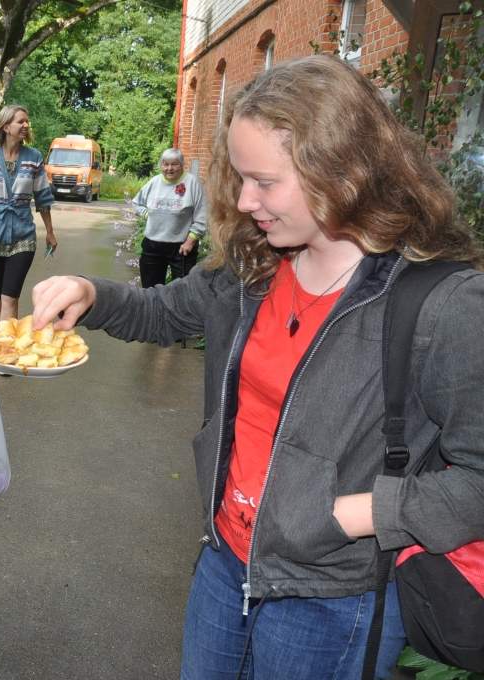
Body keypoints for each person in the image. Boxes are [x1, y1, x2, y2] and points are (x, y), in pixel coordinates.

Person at [31, 55, 484, 679]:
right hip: (224, 563)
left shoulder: (441, 303)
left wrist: (365, 513)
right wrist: (90, 293)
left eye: (264, 182)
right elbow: (165, 313)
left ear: (344, 171)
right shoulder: (254, 265)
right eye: (241, 179)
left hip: (333, 596)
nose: (245, 201)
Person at [0, 105, 56, 320]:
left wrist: (50, 232)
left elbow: (43, 198)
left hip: (23, 236)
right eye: (20, 121)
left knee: (10, 298)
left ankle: (8, 347)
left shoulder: (34, 158)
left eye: (26, 121)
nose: (26, 125)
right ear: (6, 126)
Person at [131, 148, 207, 288]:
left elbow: (202, 214)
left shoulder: (192, 183)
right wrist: (148, 215)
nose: (169, 168)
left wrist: (191, 240)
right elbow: (136, 203)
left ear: (182, 165)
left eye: (174, 164)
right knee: (150, 290)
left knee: (183, 290)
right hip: (153, 245)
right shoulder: (154, 182)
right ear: (161, 165)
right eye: (165, 164)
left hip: (182, 247)